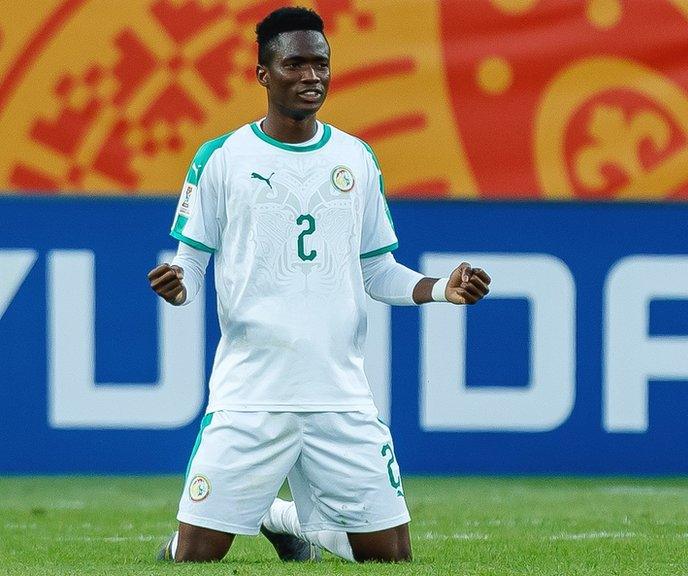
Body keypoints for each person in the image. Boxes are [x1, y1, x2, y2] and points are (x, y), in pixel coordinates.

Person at [147, 6, 490, 563]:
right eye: (296, 63)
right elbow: (190, 263)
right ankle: (265, 511)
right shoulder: (221, 159)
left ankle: (280, 515)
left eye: (321, 64)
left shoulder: (356, 157)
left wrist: (440, 288)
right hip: (252, 393)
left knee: (391, 558)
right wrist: (178, 284)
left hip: (339, 392)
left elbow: (378, 272)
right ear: (263, 74)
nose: (312, 76)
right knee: (193, 558)